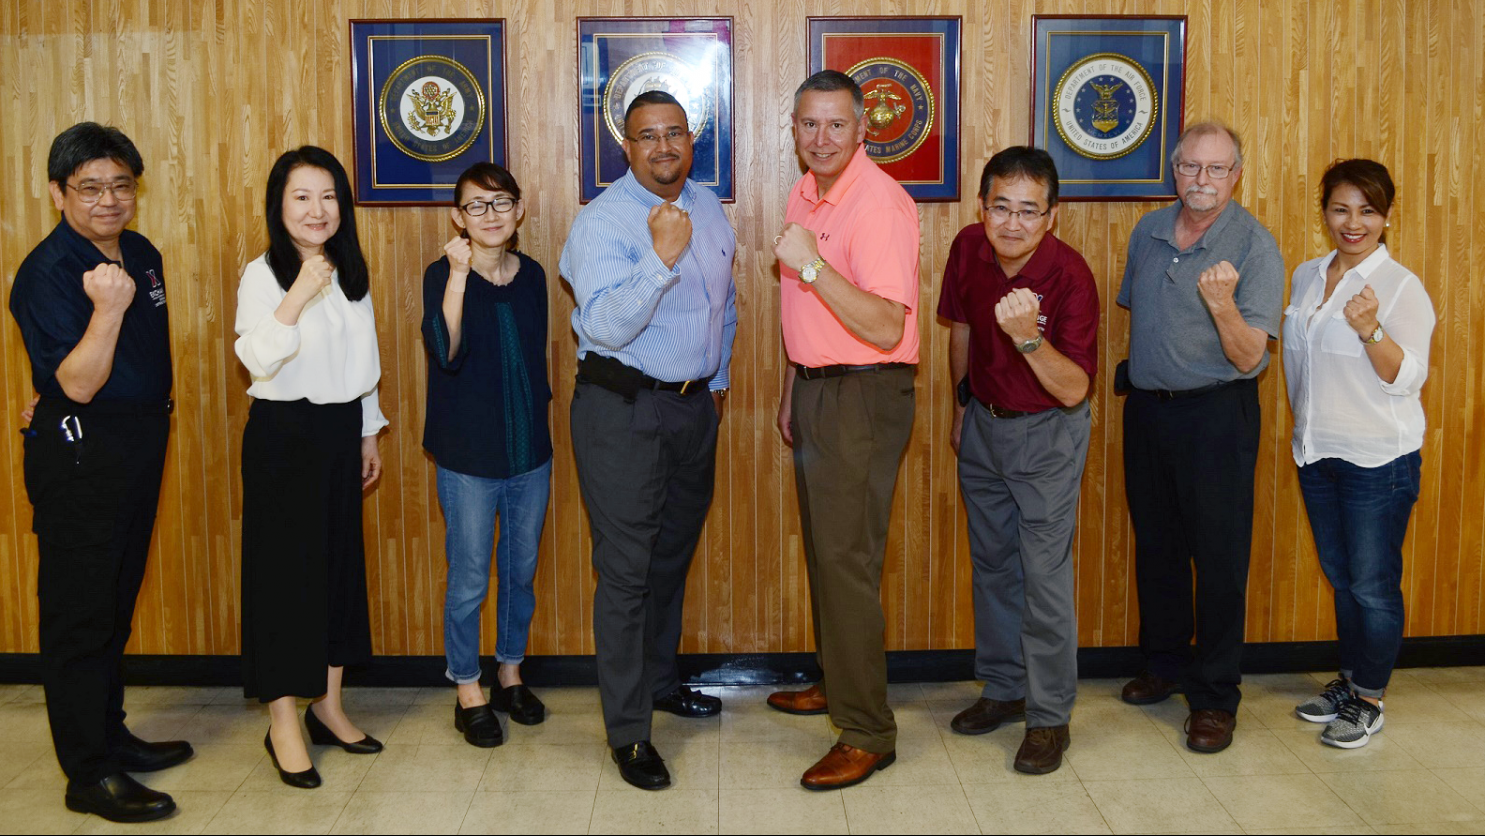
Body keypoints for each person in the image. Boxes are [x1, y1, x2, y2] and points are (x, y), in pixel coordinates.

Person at [11, 122, 189, 823]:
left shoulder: (141, 252)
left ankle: (108, 735)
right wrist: (107, 310)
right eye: (89, 187)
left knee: (114, 603)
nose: (108, 200)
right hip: (82, 455)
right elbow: (79, 384)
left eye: (121, 185)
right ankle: (87, 773)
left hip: (137, 447)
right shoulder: (48, 273)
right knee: (80, 617)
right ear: (58, 192)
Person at [558, 91, 737, 791]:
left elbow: (723, 302)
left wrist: (714, 380)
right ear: (625, 147)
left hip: (691, 412)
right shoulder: (602, 223)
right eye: (646, 137)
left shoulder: (709, 204)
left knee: (670, 558)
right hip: (621, 411)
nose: (663, 147)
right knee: (627, 573)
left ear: (690, 140)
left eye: (674, 134)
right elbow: (603, 327)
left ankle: (660, 683)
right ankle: (629, 732)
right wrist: (660, 260)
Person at [767, 70, 919, 790]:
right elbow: (803, 311)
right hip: (822, 390)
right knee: (830, 556)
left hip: (862, 395)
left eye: (834, 125)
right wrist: (792, 386)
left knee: (847, 563)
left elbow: (886, 324)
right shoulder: (807, 190)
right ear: (792, 129)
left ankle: (866, 731)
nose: (819, 138)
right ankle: (839, 680)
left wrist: (812, 265)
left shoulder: (878, 203)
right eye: (807, 125)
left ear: (863, 129)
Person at [1117, 121, 1284, 753]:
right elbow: (1143, 311)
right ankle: (1164, 664)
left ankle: (1215, 697)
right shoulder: (1149, 231)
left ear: (1237, 174)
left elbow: (1249, 358)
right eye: (1190, 167)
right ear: (1174, 170)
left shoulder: (1254, 247)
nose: (1202, 181)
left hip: (1218, 416)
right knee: (1157, 546)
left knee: (1218, 559)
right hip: (1149, 413)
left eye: (1216, 169)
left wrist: (1221, 305)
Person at [939, 147, 1099, 775]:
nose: (1011, 223)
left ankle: (1050, 717)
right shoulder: (968, 249)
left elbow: (1074, 389)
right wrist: (960, 408)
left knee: (1045, 577)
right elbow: (961, 331)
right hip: (983, 426)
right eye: (1000, 206)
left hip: (1047, 435)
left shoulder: (1071, 276)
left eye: (1028, 211)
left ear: (1051, 217)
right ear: (982, 207)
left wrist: (1029, 335)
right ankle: (1004, 688)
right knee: (993, 566)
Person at [234, 146, 388, 788]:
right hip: (283, 435)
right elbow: (257, 358)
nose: (316, 210)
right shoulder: (262, 274)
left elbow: (365, 358)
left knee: (335, 571)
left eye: (328, 197)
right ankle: (283, 722)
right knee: (282, 581)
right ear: (279, 205)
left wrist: (369, 431)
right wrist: (297, 293)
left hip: (338, 429)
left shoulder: (351, 270)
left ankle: (327, 705)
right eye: (301, 197)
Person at [1285, 159, 1434, 748]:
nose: (1353, 223)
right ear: (1324, 211)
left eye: (1367, 211)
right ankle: (1349, 681)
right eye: (1341, 209)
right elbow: (1301, 363)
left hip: (1379, 459)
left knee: (1373, 584)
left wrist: (1372, 330)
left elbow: (1407, 379)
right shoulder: (1306, 275)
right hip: (1318, 452)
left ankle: (1370, 696)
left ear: (1387, 216)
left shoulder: (1400, 287)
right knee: (1342, 579)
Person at [422, 162, 553, 747]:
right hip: (467, 455)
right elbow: (445, 352)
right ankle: (467, 686)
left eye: (501, 203)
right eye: (477, 206)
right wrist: (456, 277)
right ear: (459, 217)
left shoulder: (533, 276)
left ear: (519, 210)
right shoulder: (441, 273)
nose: (491, 215)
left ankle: (509, 671)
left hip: (530, 451)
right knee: (471, 576)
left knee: (519, 574)